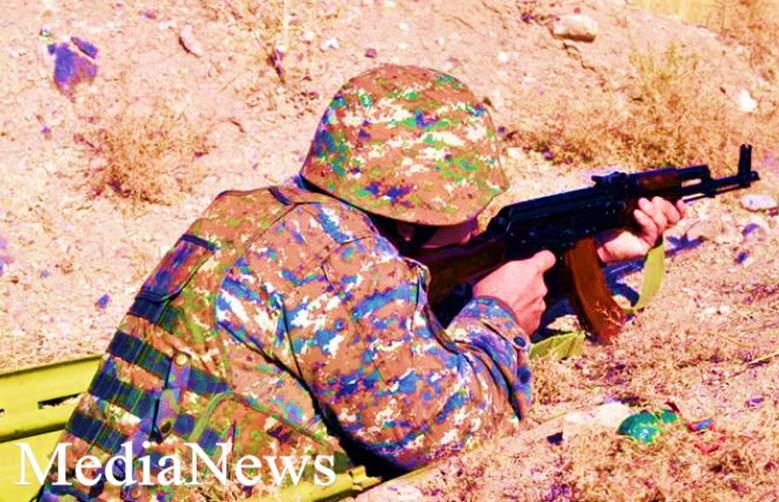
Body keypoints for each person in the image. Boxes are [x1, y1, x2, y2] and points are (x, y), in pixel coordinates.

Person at [37, 64, 683, 501]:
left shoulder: (262, 216)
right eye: (464, 207)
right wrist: (497, 319)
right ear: (413, 212)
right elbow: (454, 432)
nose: (475, 222)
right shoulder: (336, 257)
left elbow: (390, 327)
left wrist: (590, 258)